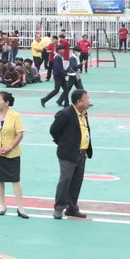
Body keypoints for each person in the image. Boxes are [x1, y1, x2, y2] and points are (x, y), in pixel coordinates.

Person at [49, 89, 93, 220]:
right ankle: (58, 208)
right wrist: (63, 143)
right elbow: (53, 130)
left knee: (76, 182)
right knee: (65, 180)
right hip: (68, 154)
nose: (89, 102)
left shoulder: (84, 113)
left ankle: (72, 208)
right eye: (87, 99)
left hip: (81, 153)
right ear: (79, 102)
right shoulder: (65, 114)